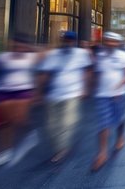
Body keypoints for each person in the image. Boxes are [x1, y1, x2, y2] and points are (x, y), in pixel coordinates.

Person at [36, 31, 93, 164]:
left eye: (70, 40)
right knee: (51, 125)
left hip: (72, 93)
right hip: (53, 94)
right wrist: (38, 92)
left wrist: (85, 88)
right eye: (66, 40)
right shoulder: (53, 55)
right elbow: (44, 73)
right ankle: (60, 146)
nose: (68, 42)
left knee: (68, 122)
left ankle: (61, 149)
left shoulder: (81, 54)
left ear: (74, 41)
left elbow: (87, 71)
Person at [0, 34, 42, 168]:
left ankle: (29, 132)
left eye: (22, 45)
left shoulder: (31, 57)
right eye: (16, 45)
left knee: (19, 119)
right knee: (4, 122)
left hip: (23, 90)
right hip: (3, 91)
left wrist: (38, 92)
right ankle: (3, 151)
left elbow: (46, 53)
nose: (19, 47)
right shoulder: (3, 57)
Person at [91, 32, 125, 171]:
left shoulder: (124, 56)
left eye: (114, 41)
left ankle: (120, 137)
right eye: (108, 41)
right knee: (103, 123)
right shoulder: (100, 56)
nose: (110, 43)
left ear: (118, 43)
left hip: (118, 94)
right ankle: (102, 152)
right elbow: (96, 73)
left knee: (120, 119)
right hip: (102, 95)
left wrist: (119, 85)